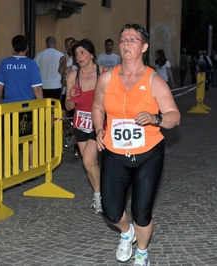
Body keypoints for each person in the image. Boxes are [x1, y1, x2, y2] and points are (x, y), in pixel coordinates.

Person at [92, 23, 181, 266]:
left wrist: (156, 118)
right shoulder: (107, 78)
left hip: (148, 153)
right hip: (114, 152)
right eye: (123, 38)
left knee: (142, 212)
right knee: (110, 210)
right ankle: (126, 232)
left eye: (132, 39)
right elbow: (97, 107)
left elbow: (174, 116)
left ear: (144, 46)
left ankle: (141, 251)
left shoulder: (154, 80)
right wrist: (99, 128)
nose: (126, 43)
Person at [65, 38, 107, 214]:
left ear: (91, 53)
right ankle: (99, 195)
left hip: (99, 123)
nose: (79, 56)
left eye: (82, 52)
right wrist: (73, 97)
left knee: (89, 159)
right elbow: (67, 106)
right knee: (89, 163)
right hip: (81, 124)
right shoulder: (73, 76)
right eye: (76, 54)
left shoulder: (103, 72)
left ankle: (99, 197)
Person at [0, 35, 43, 166]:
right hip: (27, 107)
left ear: (12, 48)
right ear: (27, 47)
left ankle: (12, 167)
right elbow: (37, 89)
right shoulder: (32, 64)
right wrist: (42, 106)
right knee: (29, 138)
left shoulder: (5, 63)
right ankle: (30, 166)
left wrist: (0, 102)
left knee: (10, 137)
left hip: (9, 107)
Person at [59, 37, 80, 157]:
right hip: (69, 94)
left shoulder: (84, 61)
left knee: (77, 122)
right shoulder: (68, 61)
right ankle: (69, 135)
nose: (70, 48)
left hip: (83, 96)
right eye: (68, 46)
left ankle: (77, 147)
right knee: (66, 118)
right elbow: (62, 81)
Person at [34, 36, 64, 100]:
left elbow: (35, 71)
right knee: (55, 108)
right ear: (55, 44)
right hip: (56, 85)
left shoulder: (39, 55)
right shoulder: (61, 55)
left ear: (46, 44)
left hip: (43, 85)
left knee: (44, 108)